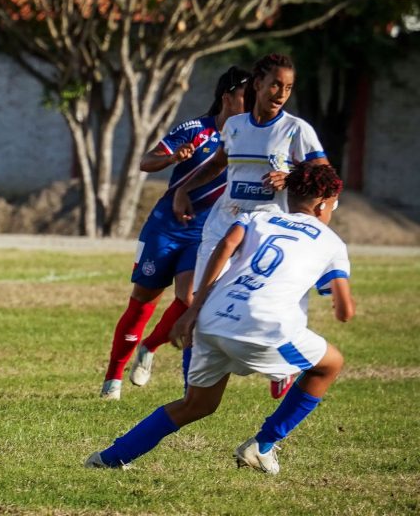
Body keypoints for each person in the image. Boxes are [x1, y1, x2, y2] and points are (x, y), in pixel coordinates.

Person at [85, 163, 354, 475]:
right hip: (266, 327)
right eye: (334, 204)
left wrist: (193, 310)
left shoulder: (259, 217)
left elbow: (226, 246)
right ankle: (263, 445)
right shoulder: (331, 242)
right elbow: (343, 311)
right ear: (323, 203)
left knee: (196, 405)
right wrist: (344, 304)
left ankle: (110, 458)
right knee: (329, 365)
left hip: (212, 319)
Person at [172, 53, 330, 399]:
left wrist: (291, 177)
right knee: (199, 299)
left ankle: (284, 367)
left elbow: (325, 178)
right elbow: (218, 163)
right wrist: (184, 189)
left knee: (281, 299)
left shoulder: (296, 130)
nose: (281, 93)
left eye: (288, 87)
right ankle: (192, 384)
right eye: (275, 84)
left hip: (270, 232)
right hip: (224, 224)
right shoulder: (235, 126)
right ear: (257, 83)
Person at [100, 66, 251, 400]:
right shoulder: (196, 129)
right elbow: (146, 161)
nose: (254, 102)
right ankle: (113, 378)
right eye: (247, 95)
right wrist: (170, 159)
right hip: (166, 226)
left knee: (191, 300)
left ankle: (151, 347)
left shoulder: (252, 138)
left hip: (204, 232)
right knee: (142, 301)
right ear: (227, 98)